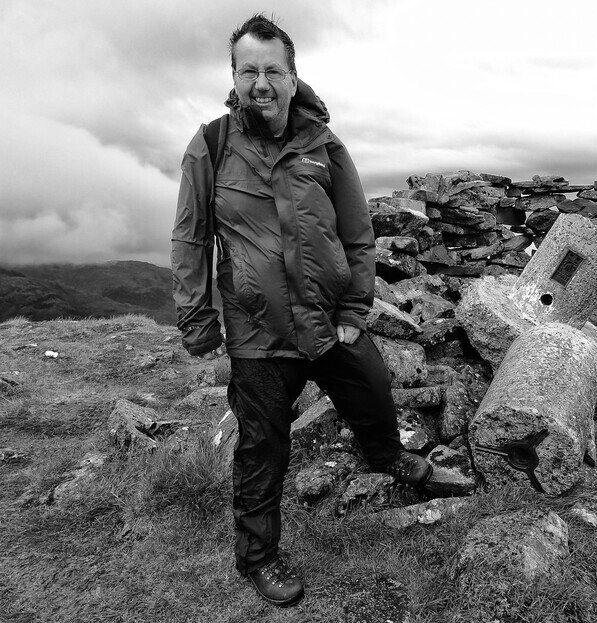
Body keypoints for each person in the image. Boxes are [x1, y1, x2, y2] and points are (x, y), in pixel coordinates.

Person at [171, 14, 433, 608]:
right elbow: (189, 238)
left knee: (372, 389)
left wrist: (355, 308)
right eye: (248, 71)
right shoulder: (210, 145)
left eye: (272, 71)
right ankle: (260, 557)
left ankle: (389, 457)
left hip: (326, 316)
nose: (260, 83)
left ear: (293, 76)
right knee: (262, 446)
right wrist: (196, 319)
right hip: (257, 331)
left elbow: (358, 231)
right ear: (233, 77)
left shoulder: (324, 146)